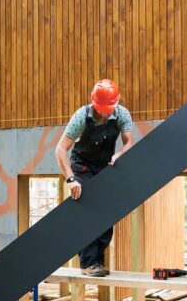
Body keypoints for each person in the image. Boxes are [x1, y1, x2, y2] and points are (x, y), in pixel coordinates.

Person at [55, 79, 134, 277]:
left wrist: (120, 155)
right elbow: (60, 150)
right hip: (82, 165)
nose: (104, 113)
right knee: (88, 210)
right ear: (93, 103)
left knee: (107, 212)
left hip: (106, 163)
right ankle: (88, 263)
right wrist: (71, 179)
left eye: (108, 109)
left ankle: (97, 261)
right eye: (101, 109)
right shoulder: (81, 116)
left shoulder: (122, 114)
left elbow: (128, 143)